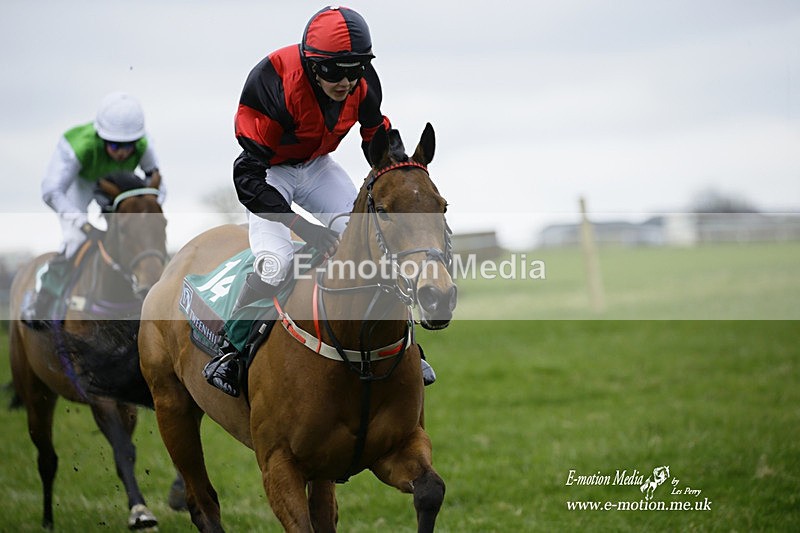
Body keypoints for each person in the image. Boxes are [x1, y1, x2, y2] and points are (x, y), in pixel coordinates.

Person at [203, 5, 436, 396]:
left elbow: (375, 135)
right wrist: (302, 227)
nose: (345, 81)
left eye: (354, 69)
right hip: (270, 173)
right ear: (312, 66)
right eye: (334, 72)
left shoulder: (362, 81)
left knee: (373, 245)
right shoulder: (271, 83)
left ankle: (410, 343)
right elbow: (246, 179)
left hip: (317, 168)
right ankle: (231, 349)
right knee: (277, 265)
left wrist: (398, 168)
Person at [22, 91, 164, 325]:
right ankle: (42, 300)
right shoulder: (79, 146)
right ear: (101, 136)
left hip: (119, 187)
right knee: (75, 240)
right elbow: (51, 191)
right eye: (115, 145)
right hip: (81, 183)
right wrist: (82, 223)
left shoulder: (144, 144)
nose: (121, 153)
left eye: (128, 146)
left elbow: (159, 186)